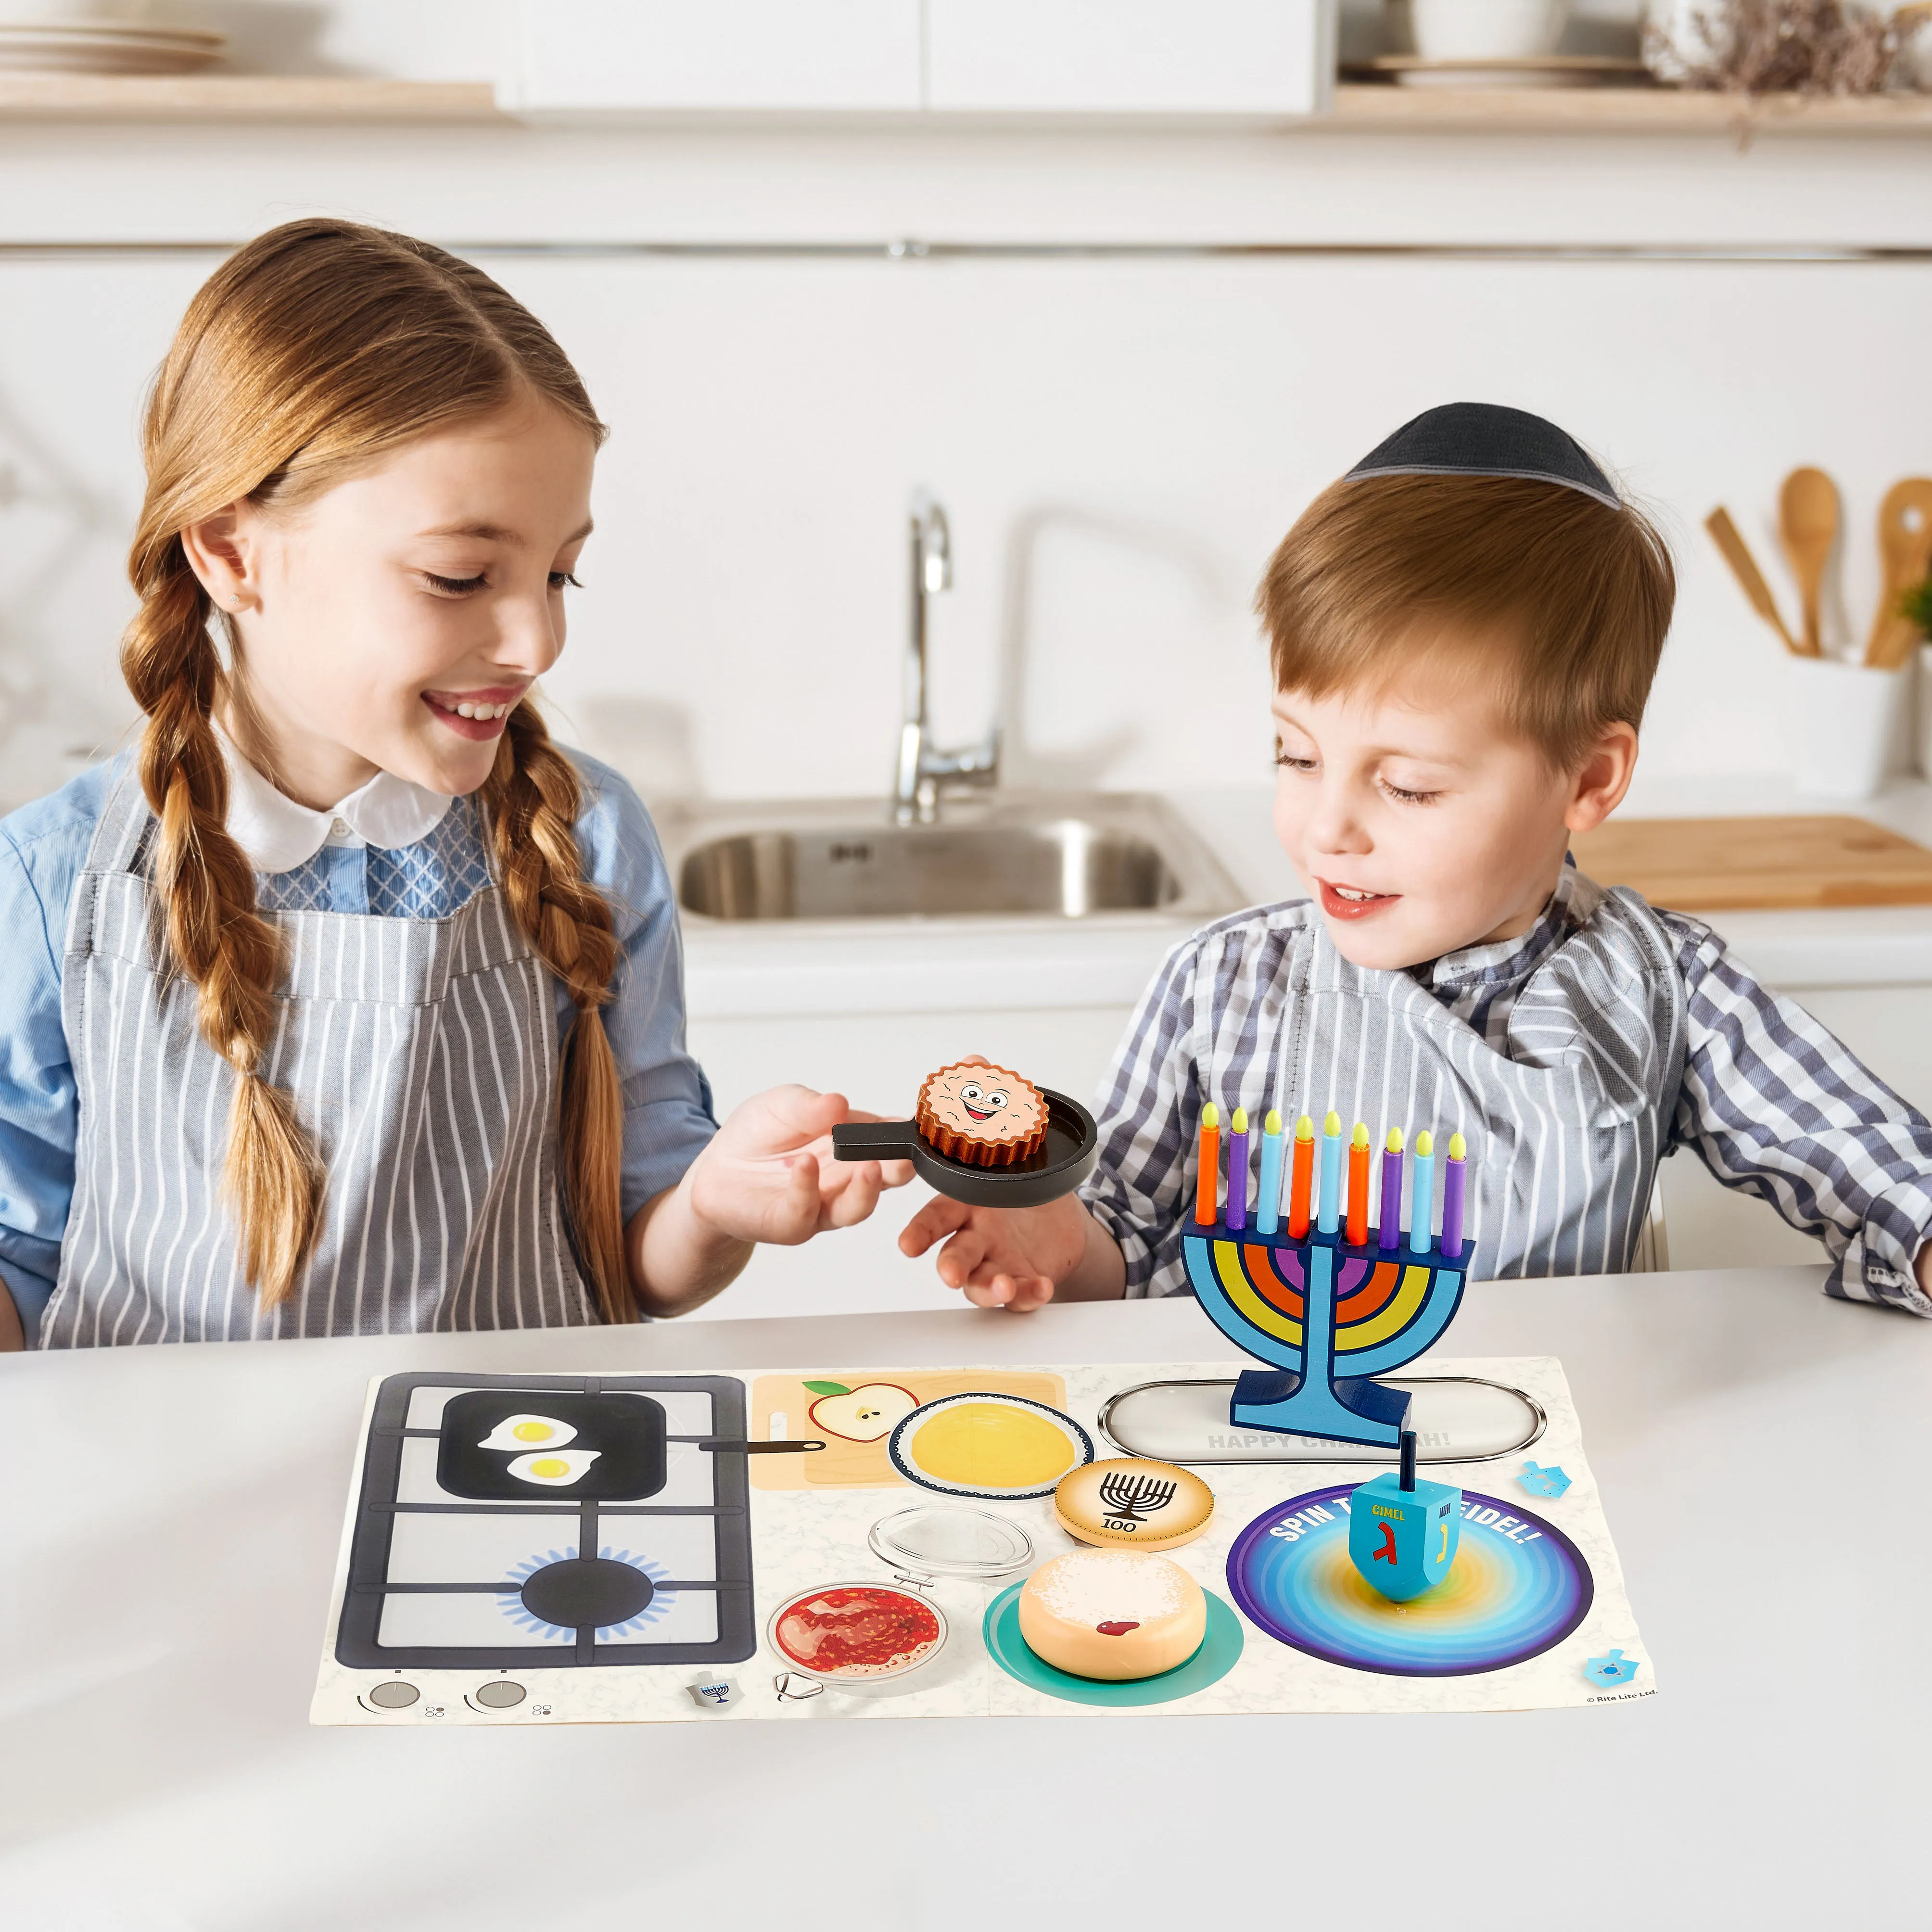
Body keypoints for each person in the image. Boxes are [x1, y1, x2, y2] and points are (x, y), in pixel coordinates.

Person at [0, 219, 904, 1350]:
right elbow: (21, 1278)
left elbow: (637, 1255)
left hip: (518, 1477)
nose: (535, 639)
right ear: (232, 553)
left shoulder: (592, 836)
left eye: (560, 571)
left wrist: (718, 1202)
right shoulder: (49, 887)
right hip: (166, 1508)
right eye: (459, 575)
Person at [902, 403, 1932, 1315]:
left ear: (1587, 778)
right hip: (1249, 1465)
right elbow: (1122, 1239)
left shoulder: (1665, 992)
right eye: (1296, 756)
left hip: (1553, 1481)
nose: (1327, 827)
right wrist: (1059, 1240)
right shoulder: (1221, 988)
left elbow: (1880, 1171)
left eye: (1409, 786)